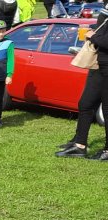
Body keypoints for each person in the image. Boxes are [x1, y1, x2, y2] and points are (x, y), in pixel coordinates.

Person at [56, 9, 108, 160]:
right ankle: (79, 145)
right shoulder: (105, 11)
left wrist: (94, 36)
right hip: (98, 65)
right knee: (85, 103)